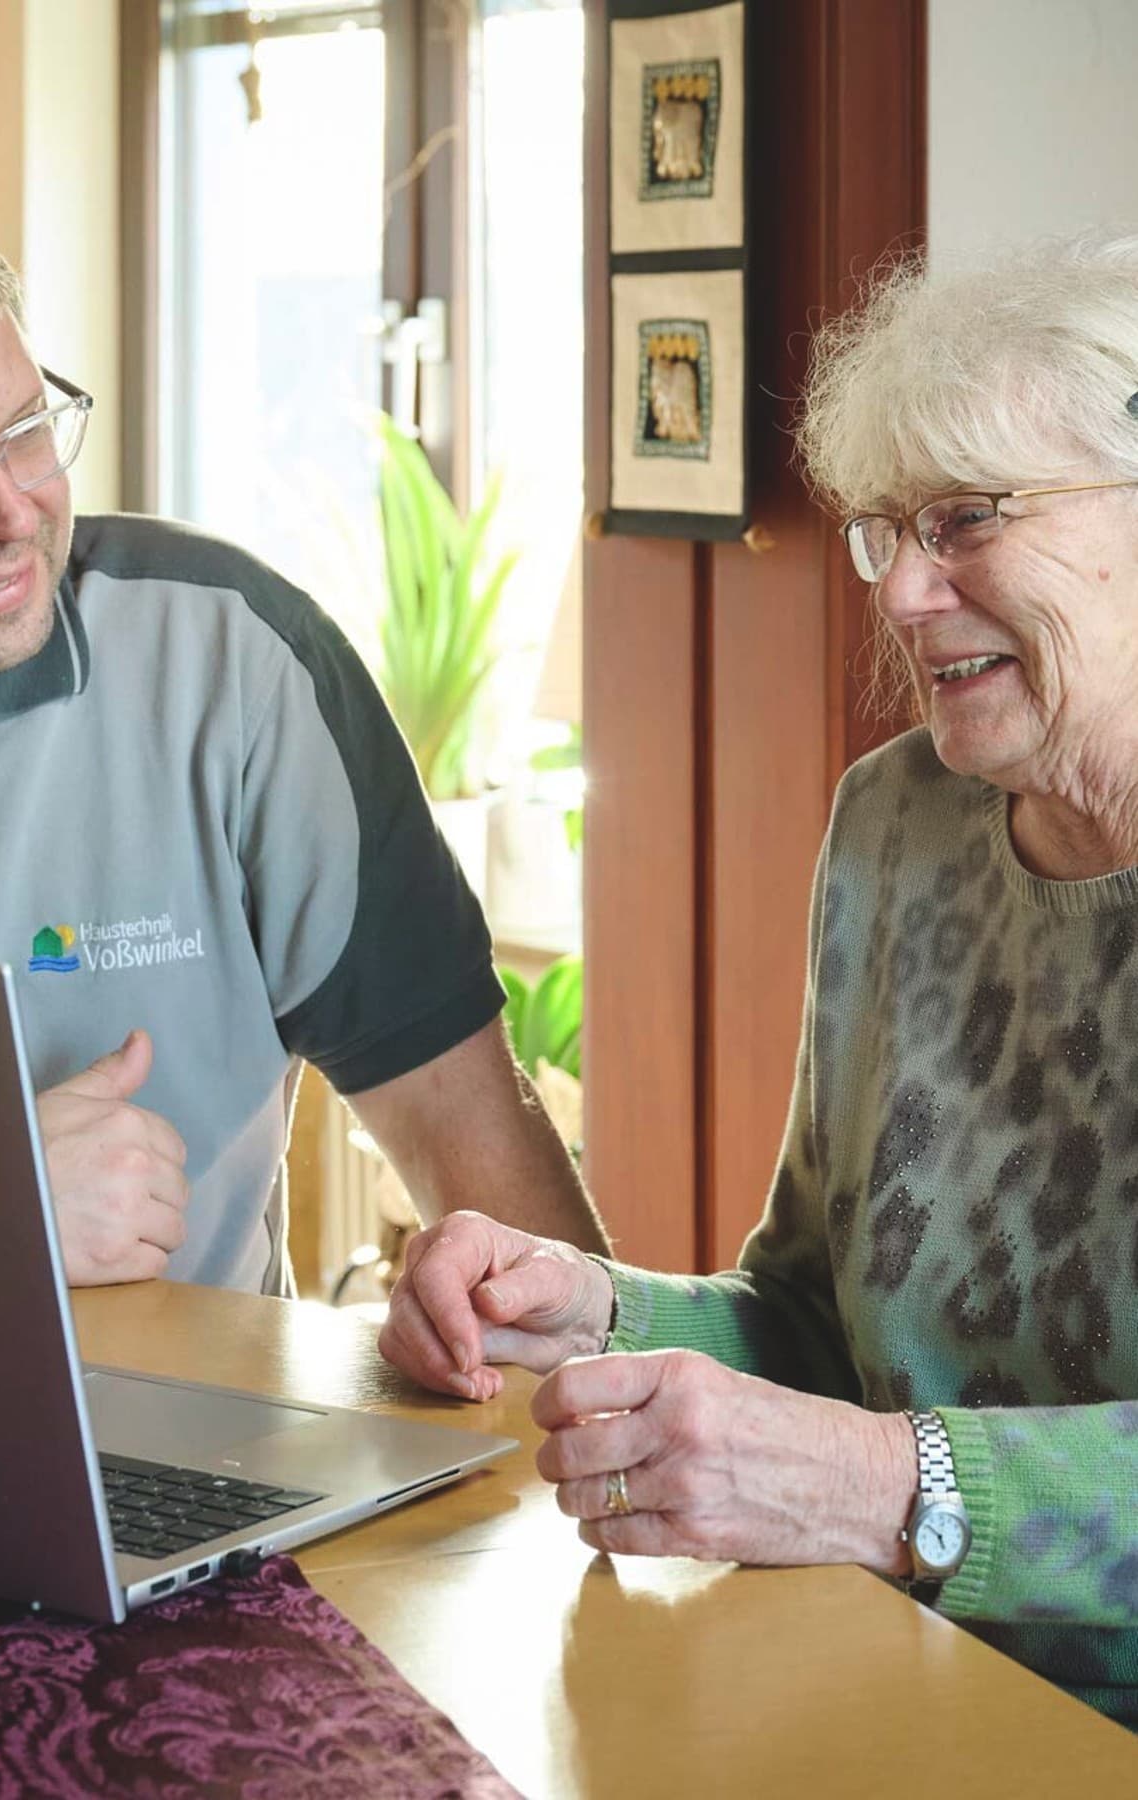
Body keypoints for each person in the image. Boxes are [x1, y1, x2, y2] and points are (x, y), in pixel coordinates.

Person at [379, 233, 1138, 1731]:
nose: (906, 592)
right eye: (884, 530)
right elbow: (812, 1321)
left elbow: (866, 1456)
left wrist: (882, 1490)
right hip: (893, 1691)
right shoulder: (897, 824)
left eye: (968, 520)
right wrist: (590, 1317)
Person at [0, 151, 608, 1293]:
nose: (11, 511)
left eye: (26, 428)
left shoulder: (237, 667)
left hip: (204, 1462)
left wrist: (537, 1368)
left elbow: (478, 1157)